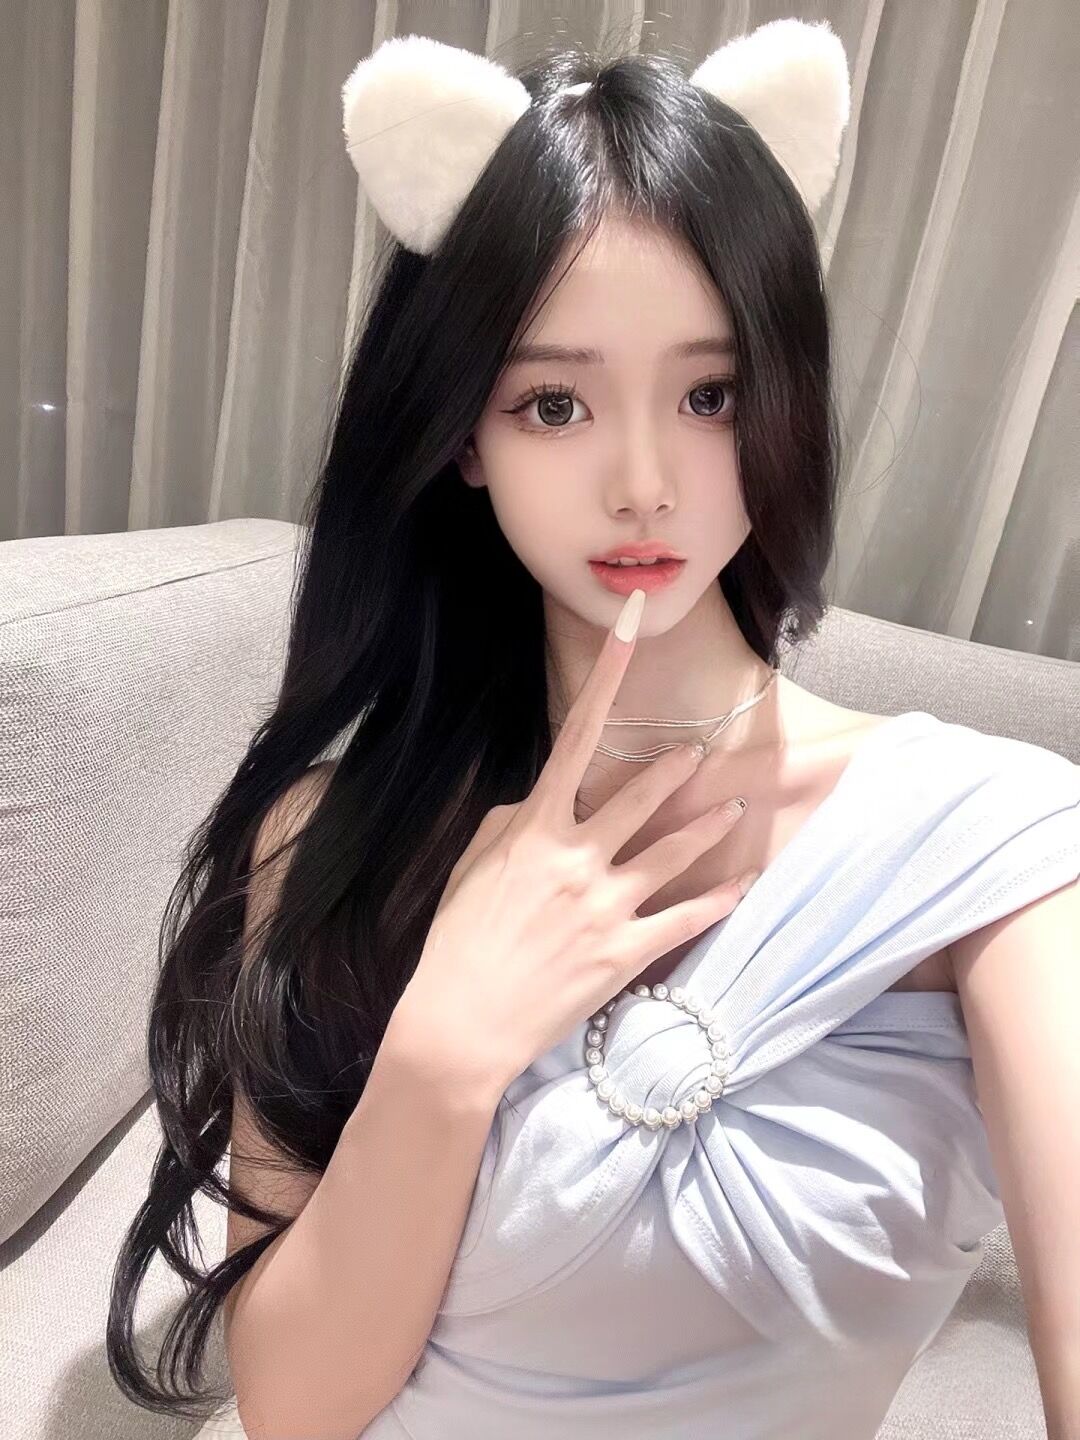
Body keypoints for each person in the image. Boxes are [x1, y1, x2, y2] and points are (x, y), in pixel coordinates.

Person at [105, 21, 1079, 1440]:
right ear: (463, 435)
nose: (642, 483)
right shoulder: (334, 832)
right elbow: (293, 1404)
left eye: (709, 394)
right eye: (554, 403)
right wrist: (447, 1046)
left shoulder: (998, 849)